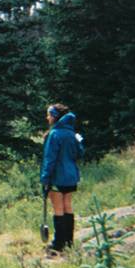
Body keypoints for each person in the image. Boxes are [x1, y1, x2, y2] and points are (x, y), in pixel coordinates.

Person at [40, 103, 84, 252]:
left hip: (57, 177)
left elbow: (49, 159)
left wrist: (45, 179)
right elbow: (80, 153)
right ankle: (69, 242)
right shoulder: (72, 134)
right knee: (67, 206)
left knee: (58, 208)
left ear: (55, 117)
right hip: (71, 177)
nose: (47, 117)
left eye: (49, 115)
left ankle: (58, 245)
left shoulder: (54, 134)